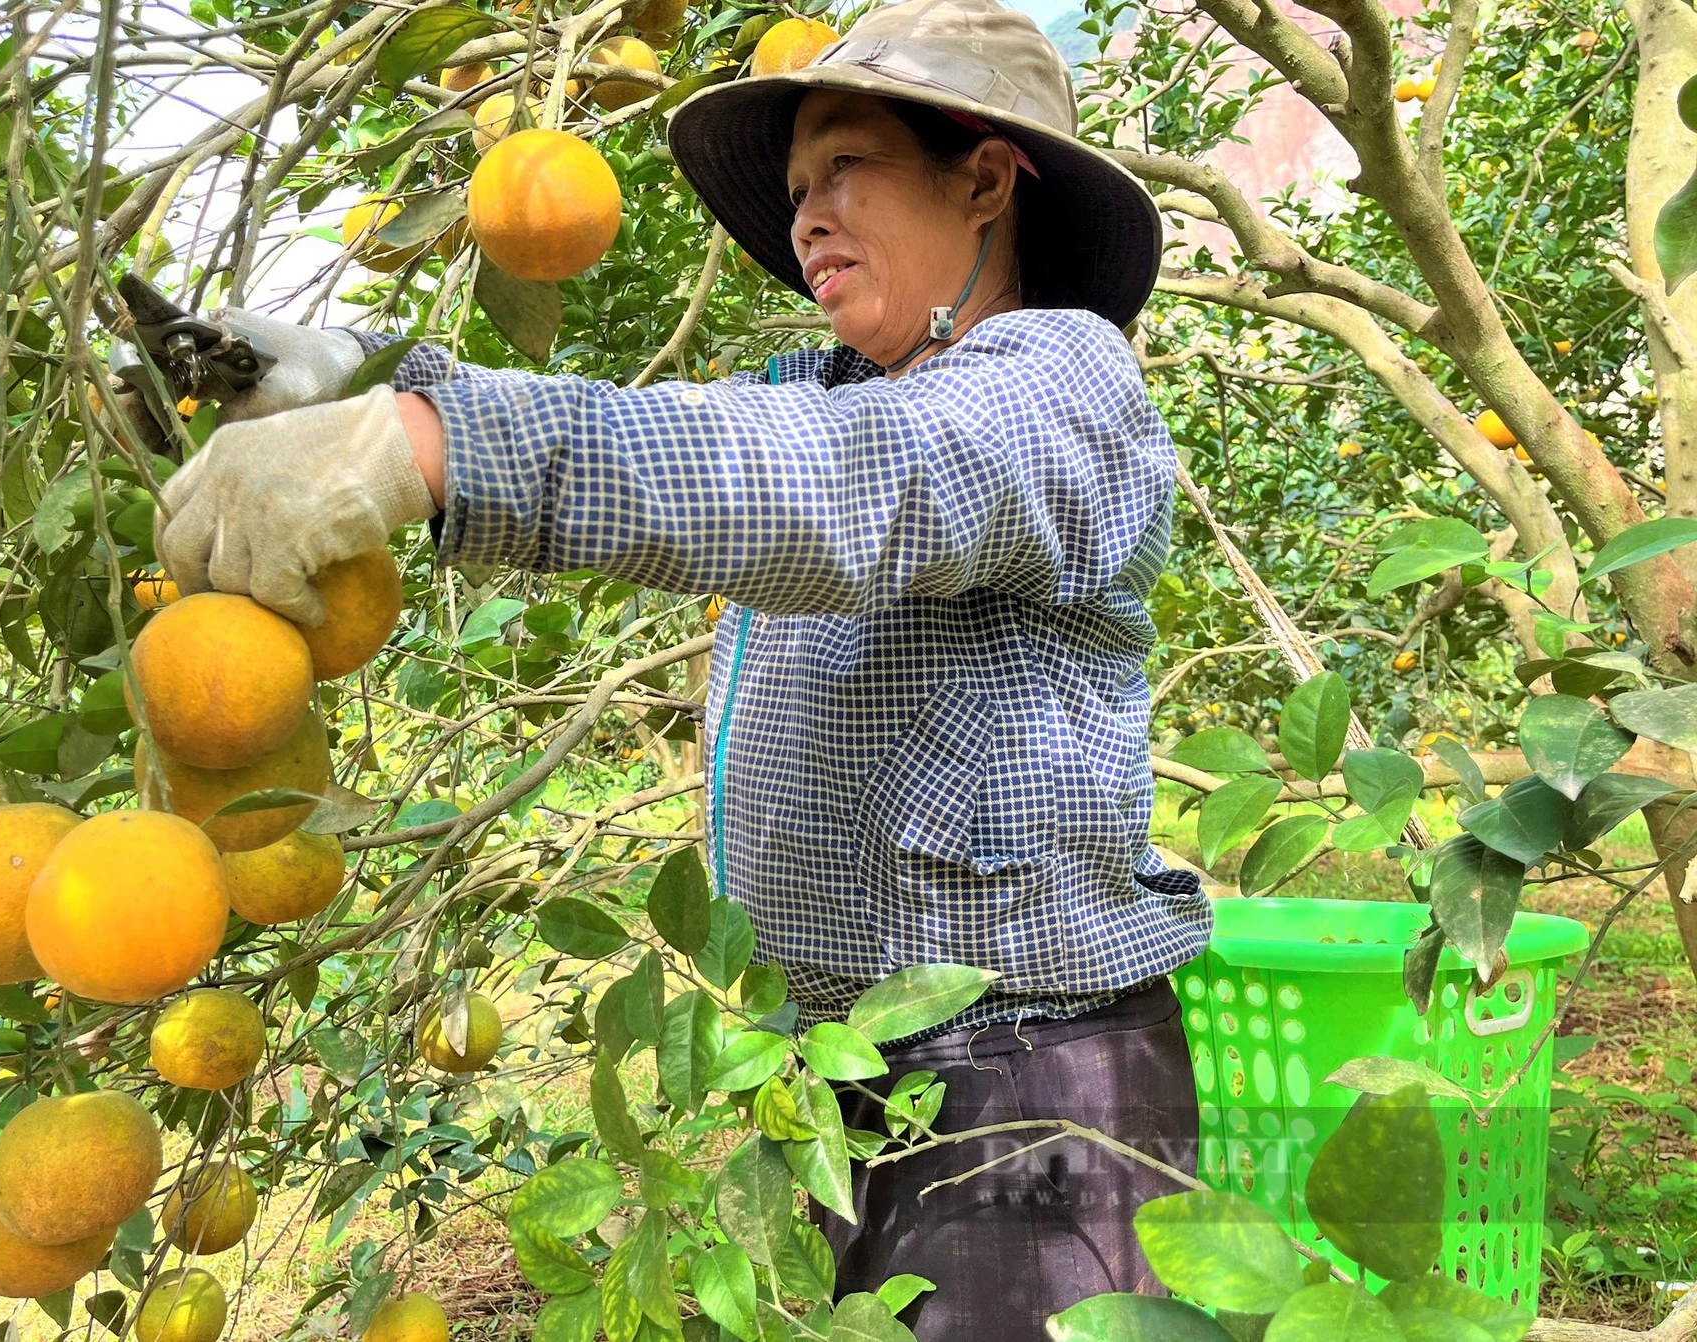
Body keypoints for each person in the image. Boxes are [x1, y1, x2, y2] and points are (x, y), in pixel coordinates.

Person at [152, 0, 1209, 1333]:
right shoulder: (829, 391)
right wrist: (352, 375)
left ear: (987, 178)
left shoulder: (1063, 383)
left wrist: (428, 442)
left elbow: (850, 487)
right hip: (859, 1072)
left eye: (847, 168)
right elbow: (689, 441)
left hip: (1035, 1089)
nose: (811, 215)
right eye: (797, 190)